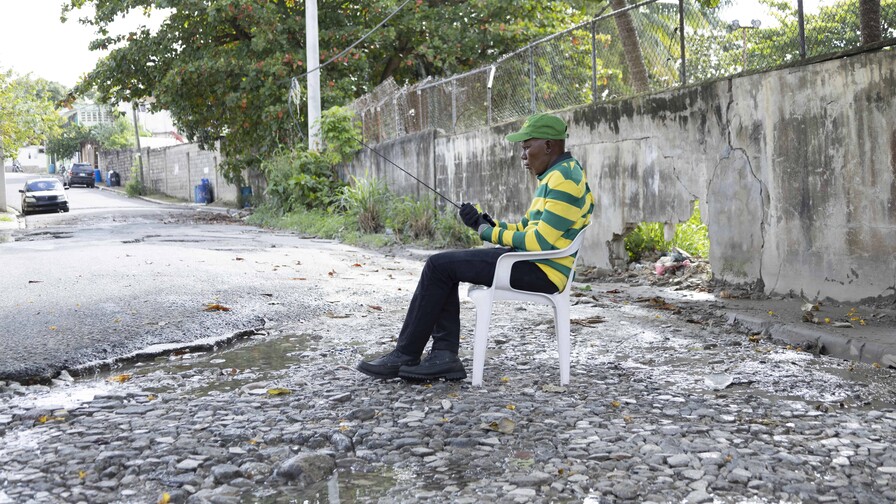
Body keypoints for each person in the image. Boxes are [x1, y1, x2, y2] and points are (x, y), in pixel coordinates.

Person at [356, 113, 594, 381]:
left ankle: (410, 353)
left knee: (438, 266)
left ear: (549, 146)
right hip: (532, 264)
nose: (523, 156)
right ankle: (442, 356)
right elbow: (527, 228)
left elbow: (539, 242)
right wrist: (485, 224)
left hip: (542, 271)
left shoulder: (563, 180)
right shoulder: (557, 175)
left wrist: (489, 233)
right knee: (444, 266)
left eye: (528, 147)